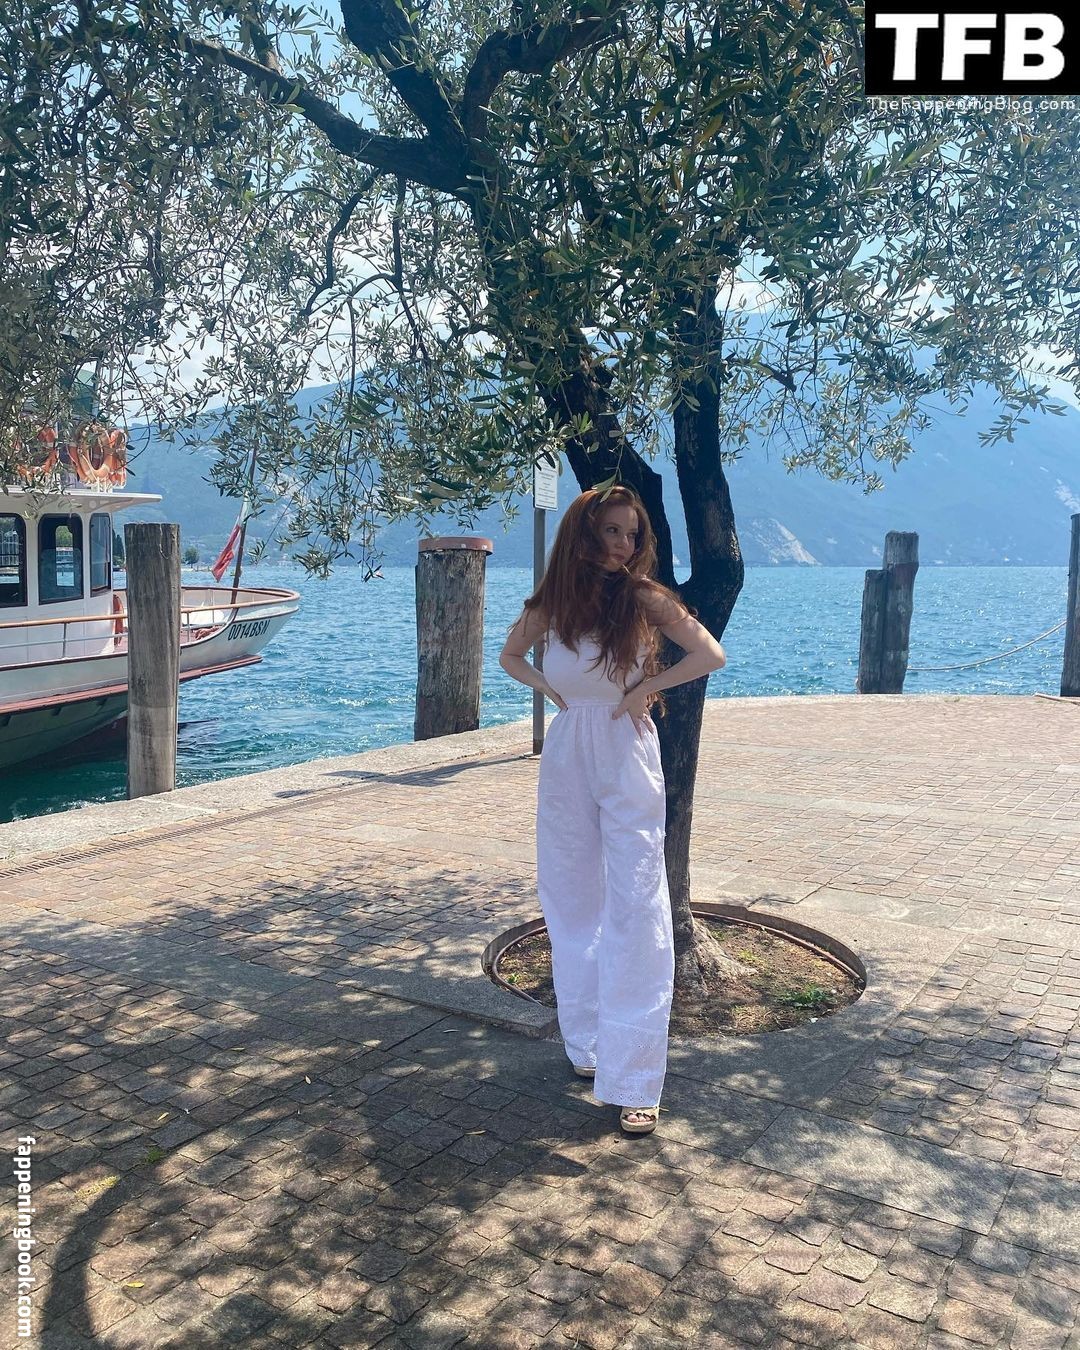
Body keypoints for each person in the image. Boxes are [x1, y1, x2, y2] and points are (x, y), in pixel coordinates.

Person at [499, 485, 726, 1134]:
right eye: (611, 531)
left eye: (632, 533)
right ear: (584, 533)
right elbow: (509, 656)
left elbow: (710, 654)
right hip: (569, 750)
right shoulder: (554, 603)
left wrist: (646, 687)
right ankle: (588, 1045)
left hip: (627, 750)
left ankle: (637, 1079)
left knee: (636, 903)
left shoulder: (644, 597)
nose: (624, 544)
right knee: (570, 896)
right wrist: (551, 691)